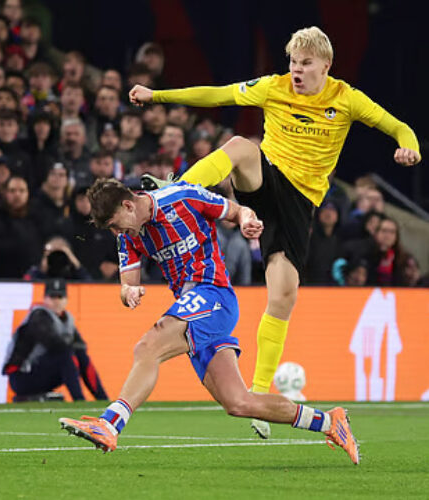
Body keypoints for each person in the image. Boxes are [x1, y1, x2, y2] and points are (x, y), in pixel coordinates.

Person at [131, 26, 421, 439]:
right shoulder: (273, 87)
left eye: (304, 64)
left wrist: (409, 146)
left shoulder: (347, 98)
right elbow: (217, 94)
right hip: (266, 181)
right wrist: (158, 95)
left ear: (325, 65)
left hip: (300, 204)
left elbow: (399, 127)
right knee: (241, 147)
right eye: (292, 62)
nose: (296, 71)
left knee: (283, 294)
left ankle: (260, 396)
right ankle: (174, 193)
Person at [58, 178, 359, 466]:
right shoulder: (128, 236)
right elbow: (127, 284)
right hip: (191, 308)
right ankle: (330, 422)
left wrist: (245, 222)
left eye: (114, 224)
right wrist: (130, 291)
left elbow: (237, 210)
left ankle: (110, 425)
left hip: (214, 294)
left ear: (128, 205)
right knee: (239, 403)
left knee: (147, 347)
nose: (115, 232)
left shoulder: (183, 198)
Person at [3, 278, 107, 402]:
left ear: (66, 300)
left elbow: (80, 347)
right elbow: (52, 343)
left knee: (81, 356)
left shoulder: (67, 319)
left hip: (41, 372)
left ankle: (103, 400)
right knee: (66, 356)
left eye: (60, 297)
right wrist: (71, 346)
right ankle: (79, 400)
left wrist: (76, 349)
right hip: (22, 376)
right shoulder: (38, 316)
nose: (57, 301)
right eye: (52, 297)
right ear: (45, 299)